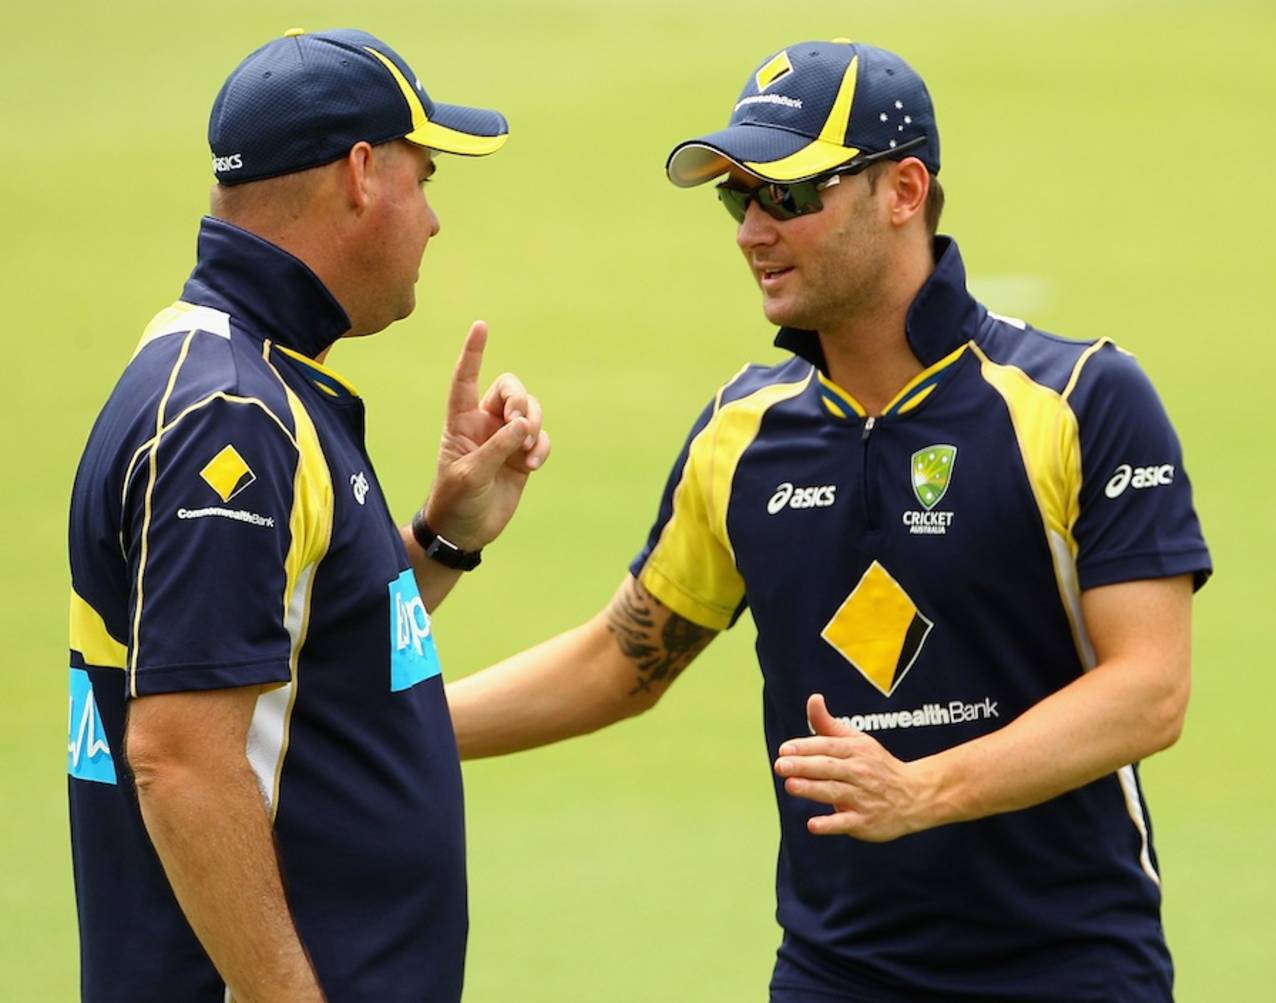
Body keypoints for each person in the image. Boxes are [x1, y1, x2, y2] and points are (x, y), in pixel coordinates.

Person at [446, 39, 1211, 1002]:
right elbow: (620, 662)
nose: (751, 231)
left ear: (903, 189)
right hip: (833, 975)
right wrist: (383, 724)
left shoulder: (1082, 399)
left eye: (789, 196)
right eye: (739, 199)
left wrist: (921, 790)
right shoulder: (744, 432)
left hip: (1071, 970)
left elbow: (1150, 690)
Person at [66, 28, 549, 1003]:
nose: (434, 221)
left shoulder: (227, 373)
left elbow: (291, 662)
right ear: (361, 174)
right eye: (425, 177)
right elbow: (181, 759)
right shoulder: (231, 420)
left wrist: (445, 538)